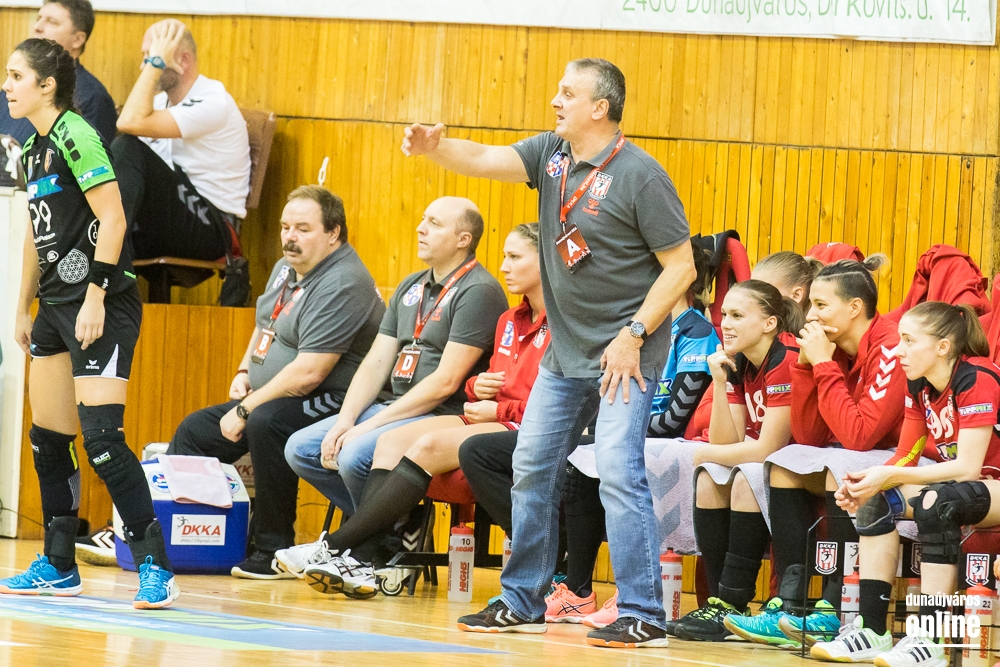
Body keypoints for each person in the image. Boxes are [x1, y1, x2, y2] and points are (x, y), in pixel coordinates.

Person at [403, 57, 694, 647]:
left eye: (567, 93)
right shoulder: (552, 154)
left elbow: (681, 267)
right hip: (566, 354)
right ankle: (522, 600)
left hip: (625, 353)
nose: (555, 101)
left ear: (600, 108)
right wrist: (437, 148)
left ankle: (642, 611)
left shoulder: (641, 176)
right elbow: (486, 158)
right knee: (532, 468)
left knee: (618, 472)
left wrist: (633, 335)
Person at [0, 38, 177, 608]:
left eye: (16, 76)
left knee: (102, 442)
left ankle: (155, 565)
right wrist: (23, 305)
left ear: (47, 84)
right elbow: (37, 233)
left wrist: (96, 296)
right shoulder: (32, 148)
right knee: (49, 441)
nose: (7, 86)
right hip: (54, 308)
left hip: (102, 303)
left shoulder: (76, 133)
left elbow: (114, 218)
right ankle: (58, 564)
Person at [276, 223, 547, 594]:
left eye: (514, 257)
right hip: (486, 416)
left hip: (522, 425)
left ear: (545, 261)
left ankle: (337, 548)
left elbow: (561, 403)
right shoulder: (508, 321)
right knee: (390, 442)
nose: (504, 266)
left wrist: (498, 411)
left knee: (425, 446)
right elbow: (483, 383)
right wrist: (477, 386)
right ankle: (362, 561)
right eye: (504, 256)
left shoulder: (561, 324)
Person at [165, 185, 385, 579]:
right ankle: (189, 541)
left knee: (267, 423)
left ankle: (272, 548)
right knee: (196, 431)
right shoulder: (287, 266)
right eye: (285, 227)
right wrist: (244, 372)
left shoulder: (343, 281)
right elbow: (265, 324)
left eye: (303, 229)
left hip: (339, 396)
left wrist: (246, 408)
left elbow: (310, 374)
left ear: (333, 233)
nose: (289, 237)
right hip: (282, 393)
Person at [728, 257, 907, 647]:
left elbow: (859, 436)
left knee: (838, 466)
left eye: (821, 305)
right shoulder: (833, 347)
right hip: (862, 456)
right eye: (811, 304)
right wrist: (806, 367)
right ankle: (788, 602)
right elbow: (808, 436)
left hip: (907, 460)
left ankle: (832, 606)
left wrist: (823, 364)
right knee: (785, 464)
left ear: (855, 308)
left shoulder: (890, 346)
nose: (809, 315)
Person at [810, 302, 1000, 665]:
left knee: (937, 502)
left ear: (942, 347)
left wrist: (890, 475)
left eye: (909, 341)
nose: (898, 350)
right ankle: (871, 631)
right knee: (877, 500)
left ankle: (930, 640)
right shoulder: (920, 385)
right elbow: (906, 455)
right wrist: (868, 483)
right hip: (977, 487)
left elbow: (967, 468)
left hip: (989, 483)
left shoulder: (976, 378)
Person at [664, 280, 801, 642]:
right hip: (776, 462)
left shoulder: (785, 359)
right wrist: (720, 381)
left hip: (803, 462)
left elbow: (766, 449)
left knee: (741, 475)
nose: (725, 323)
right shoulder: (740, 360)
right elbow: (726, 440)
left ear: (769, 324)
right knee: (709, 476)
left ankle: (734, 601)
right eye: (724, 314)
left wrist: (699, 453)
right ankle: (719, 603)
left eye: (738, 315)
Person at [114, 19, 250, 261]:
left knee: (128, 145)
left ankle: (106, 252)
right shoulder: (157, 105)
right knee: (81, 242)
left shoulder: (213, 101)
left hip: (212, 229)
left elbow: (128, 122)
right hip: (170, 221)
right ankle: (102, 254)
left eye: (152, 56)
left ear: (183, 60)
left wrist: (155, 64)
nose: (143, 66)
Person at [1, 0, 116, 146]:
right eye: (38, 19)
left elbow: (86, 157)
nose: (37, 27)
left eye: (52, 22)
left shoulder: (93, 98)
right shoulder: (15, 84)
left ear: (77, 39)